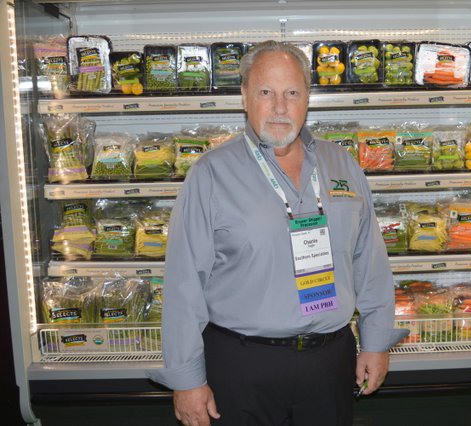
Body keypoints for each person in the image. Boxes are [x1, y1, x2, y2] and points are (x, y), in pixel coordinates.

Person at [148, 40, 406, 426]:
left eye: (292, 93)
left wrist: (376, 340)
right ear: (244, 97)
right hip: (243, 365)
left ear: (307, 98)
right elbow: (184, 283)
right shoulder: (211, 173)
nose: (280, 107)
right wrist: (187, 380)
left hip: (330, 361)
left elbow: (369, 260)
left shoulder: (342, 164)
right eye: (266, 92)